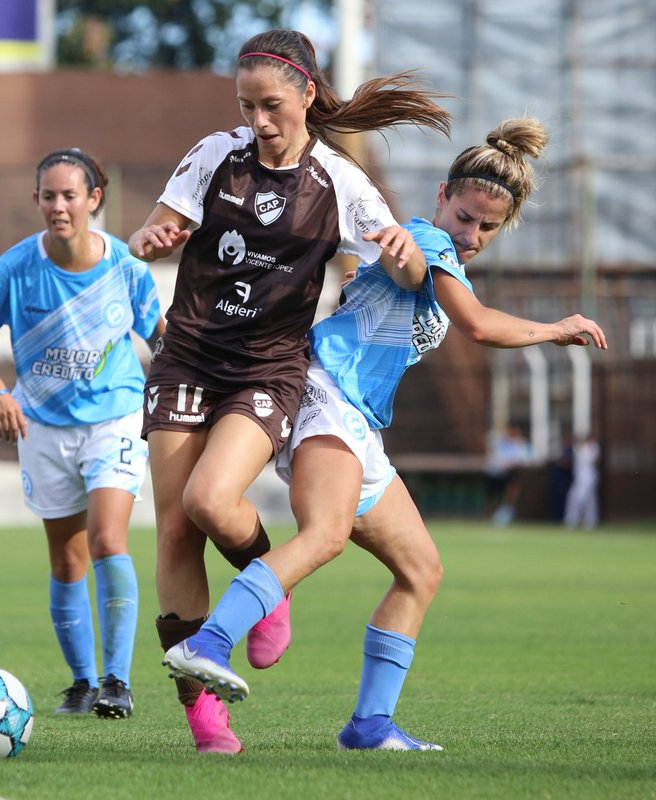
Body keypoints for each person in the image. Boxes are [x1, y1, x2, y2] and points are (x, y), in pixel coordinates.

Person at [163, 118, 608, 750]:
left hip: (359, 418)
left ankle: (371, 724)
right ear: (441, 197)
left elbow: (402, 282)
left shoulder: (436, 250)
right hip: (326, 394)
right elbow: (477, 326)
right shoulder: (428, 241)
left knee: (421, 569)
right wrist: (557, 329)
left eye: (487, 226)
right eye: (464, 214)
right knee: (324, 535)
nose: (471, 232)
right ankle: (209, 642)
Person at [127, 28, 453, 753]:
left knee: (210, 500)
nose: (259, 121)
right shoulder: (216, 155)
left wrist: (403, 255)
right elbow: (164, 223)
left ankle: (268, 591)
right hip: (187, 357)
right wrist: (153, 238)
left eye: (271, 105)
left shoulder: (340, 182)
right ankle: (204, 713)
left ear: (307, 93)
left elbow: (403, 271)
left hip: (268, 366)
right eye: (247, 106)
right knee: (177, 531)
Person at [0, 148, 163, 718]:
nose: (58, 206)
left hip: (115, 417)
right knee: (66, 560)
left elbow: (160, 338)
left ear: (95, 199)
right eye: (49, 196)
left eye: (70, 195)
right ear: (36, 200)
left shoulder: (125, 268)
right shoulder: (17, 266)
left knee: (108, 540)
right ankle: (82, 683)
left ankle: (118, 681)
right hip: (42, 424)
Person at [485, 422, 532, 526]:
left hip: (511, 473)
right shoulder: (499, 442)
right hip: (495, 473)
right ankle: (490, 516)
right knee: (493, 496)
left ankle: (505, 514)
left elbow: (526, 458)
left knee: (511, 492)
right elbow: (497, 458)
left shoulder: (520, 444)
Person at [563, 435, 600, 529]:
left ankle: (584, 522)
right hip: (579, 477)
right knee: (576, 498)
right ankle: (576, 521)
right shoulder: (578, 448)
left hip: (588, 477)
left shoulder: (593, 447)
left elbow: (596, 460)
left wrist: (591, 449)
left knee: (584, 500)